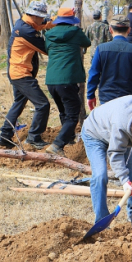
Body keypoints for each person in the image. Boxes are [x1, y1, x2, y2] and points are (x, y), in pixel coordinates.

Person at [0, 1, 53, 149]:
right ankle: (34, 137)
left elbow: (42, 24)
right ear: (34, 16)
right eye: (41, 17)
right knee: (43, 104)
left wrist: (56, 21)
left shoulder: (24, 22)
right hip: (21, 75)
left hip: (17, 72)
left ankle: (4, 135)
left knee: (19, 103)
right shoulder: (26, 32)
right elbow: (47, 49)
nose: (43, 20)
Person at [44, 8, 91, 156]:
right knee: (73, 114)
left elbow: (46, 49)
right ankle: (57, 145)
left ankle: (69, 138)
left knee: (64, 111)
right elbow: (87, 43)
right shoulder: (75, 33)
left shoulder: (49, 34)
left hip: (51, 80)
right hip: (67, 78)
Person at [86, 15, 132, 108]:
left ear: (110, 30)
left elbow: (94, 74)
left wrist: (90, 95)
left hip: (107, 98)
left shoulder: (101, 49)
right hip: (129, 99)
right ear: (129, 30)